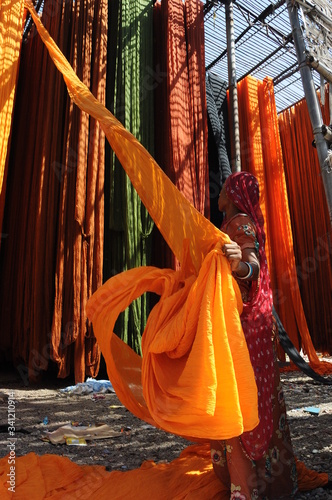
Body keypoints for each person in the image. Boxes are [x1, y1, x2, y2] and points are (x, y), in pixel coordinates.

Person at [210, 172, 298, 499]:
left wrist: (239, 266)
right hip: (251, 326)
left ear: (233, 194)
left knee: (242, 398)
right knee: (259, 399)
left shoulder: (241, 222)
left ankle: (245, 489)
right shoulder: (235, 222)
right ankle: (268, 483)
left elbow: (252, 264)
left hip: (245, 330)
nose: (218, 192)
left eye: (225, 187)